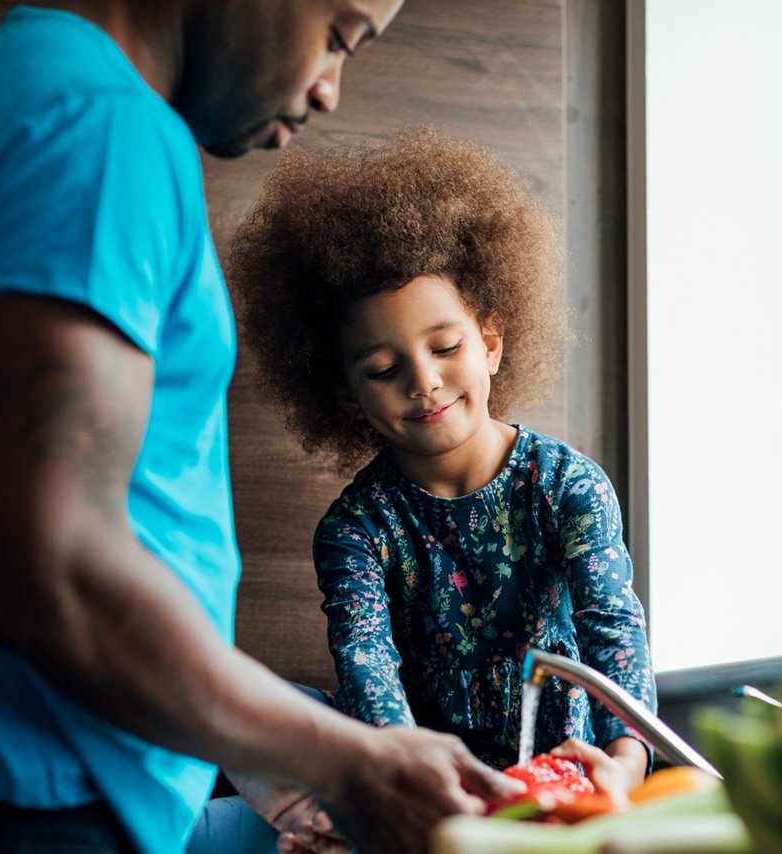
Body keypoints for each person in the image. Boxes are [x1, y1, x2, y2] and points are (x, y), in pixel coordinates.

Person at [0, 3, 520, 853]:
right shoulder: (102, 130)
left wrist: (265, 759)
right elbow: (61, 576)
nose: (329, 88)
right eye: (338, 34)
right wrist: (346, 761)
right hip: (31, 809)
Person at [225, 131, 659, 806]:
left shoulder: (569, 487)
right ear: (346, 393)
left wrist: (625, 765)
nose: (423, 383)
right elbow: (369, 671)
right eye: (382, 369)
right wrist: (417, 791)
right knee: (252, 705)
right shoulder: (355, 530)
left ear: (490, 342)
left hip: (559, 768)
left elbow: (613, 628)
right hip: (420, 780)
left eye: (446, 346)